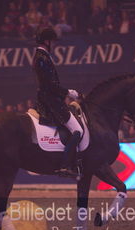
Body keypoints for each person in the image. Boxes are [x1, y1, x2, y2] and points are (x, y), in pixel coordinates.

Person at [32, 27, 82, 177]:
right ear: (47, 41)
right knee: (77, 131)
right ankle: (66, 165)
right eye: (53, 41)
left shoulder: (41, 56)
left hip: (48, 98)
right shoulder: (43, 58)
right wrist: (67, 92)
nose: (54, 44)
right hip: (51, 101)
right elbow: (49, 85)